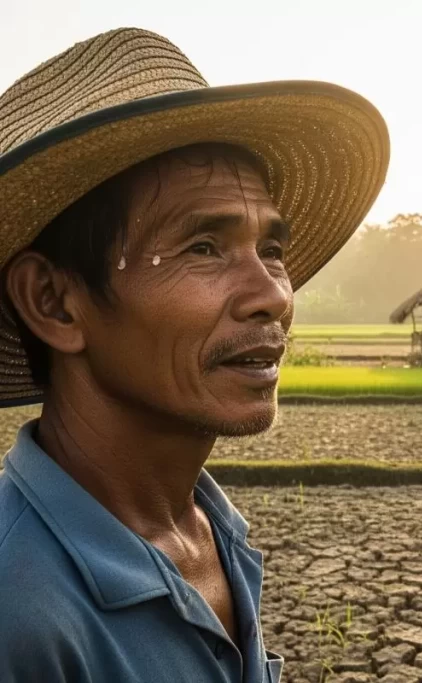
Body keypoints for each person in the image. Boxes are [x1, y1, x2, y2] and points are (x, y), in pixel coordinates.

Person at [0, 28, 388, 682]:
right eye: (203, 248)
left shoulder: (211, 529)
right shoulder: (21, 615)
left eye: (272, 250)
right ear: (55, 302)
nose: (272, 295)